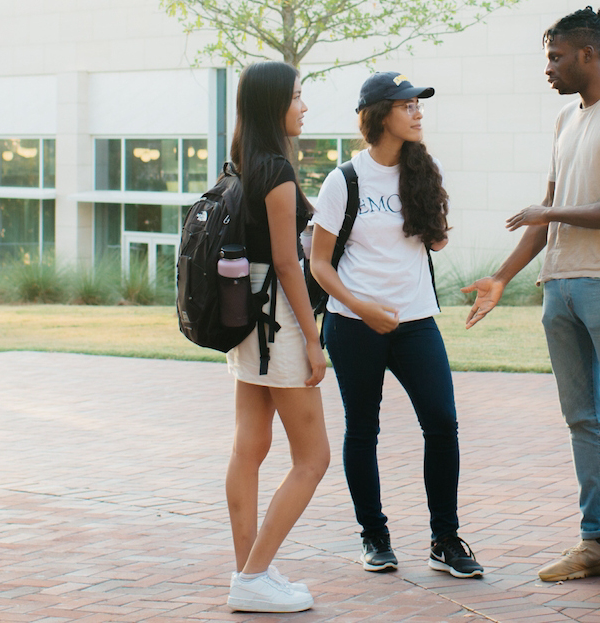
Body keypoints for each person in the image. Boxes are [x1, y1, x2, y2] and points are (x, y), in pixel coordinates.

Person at [462, 6, 600, 582]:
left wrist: (550, 210)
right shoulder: (566, 120)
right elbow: (547, 216)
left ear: (588, 54)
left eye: (556, 57)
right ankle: (597, 541)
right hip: (558, 288)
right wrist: (502, 277)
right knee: (581, 418)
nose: (549, 68)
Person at [309, 71, 483, 579]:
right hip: (353, 324)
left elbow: (435, 241)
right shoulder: (345, 179)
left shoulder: (425, 169)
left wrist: (432, 214)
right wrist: (361, 307)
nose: (418, 112)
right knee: (363, 429)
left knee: (443, 423)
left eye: (419, 105)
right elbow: (320, 264)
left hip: (415, 321)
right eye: (408, 105)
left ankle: (445, 539)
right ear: (380, 113)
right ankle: (374, 535)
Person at [223, 61, 330, 613]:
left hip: (246, 318)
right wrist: (314, 341)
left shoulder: (242, 164)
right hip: (278, 320)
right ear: (274, 106)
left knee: (249, 447)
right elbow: (291, 267)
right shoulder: (278, 174)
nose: (304, 105)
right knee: (313, 459)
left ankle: (250, 573)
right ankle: (254, 575)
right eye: (296, 96)